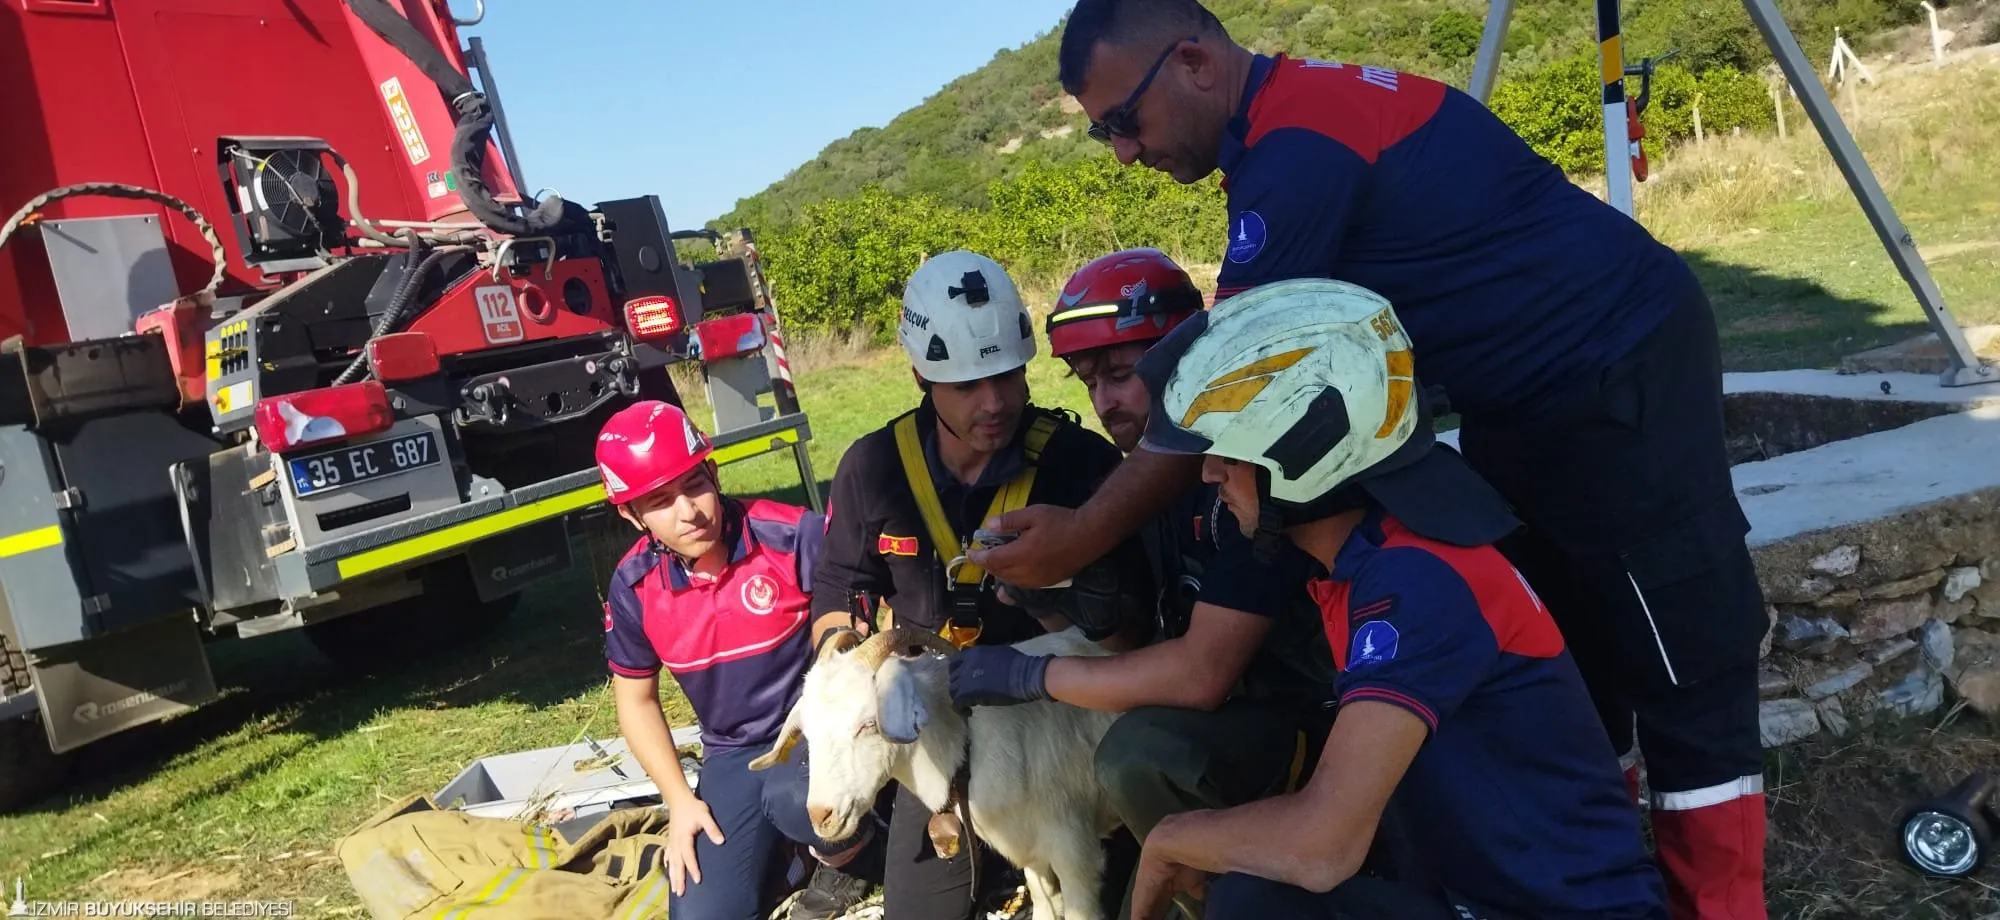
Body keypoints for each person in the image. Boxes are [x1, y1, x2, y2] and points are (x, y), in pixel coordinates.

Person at [974, 3, 1773, 916]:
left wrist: (1078, 538)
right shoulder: (1288, 127)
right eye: (1101, 133)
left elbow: (1229, 384)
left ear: (1193, 61)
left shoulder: (1295, 153)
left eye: (1123, 121)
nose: (1122, 150)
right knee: (1583, 670)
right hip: (1518, 400)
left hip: (1613, 373)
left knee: (1684, 676)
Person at [1117, 277, 1668, 920]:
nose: (1210, 474)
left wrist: (1170, 839)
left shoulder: (1418, 582)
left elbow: (1324, 845)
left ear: (1301, 448)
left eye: (1227, 455)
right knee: (1254, 893)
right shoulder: (1370, 562)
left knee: (1254, 904)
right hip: (1479, 897)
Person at [945, 249, 1339, 917]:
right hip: (1226, 723)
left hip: (1307, 730)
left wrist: (1025, 676)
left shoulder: (1243, 475)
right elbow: (1134, 650)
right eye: (1088, 382)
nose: (1104, 402)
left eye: (1123, 374)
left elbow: (1201, 673)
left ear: (1186, 360)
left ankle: (1246, 898)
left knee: (1140, 754)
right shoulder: (1144, 491)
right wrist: (1057, 604)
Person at [809, 249, 1157, 919]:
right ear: (920, 375)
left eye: (1007, 376)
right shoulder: (874, 468)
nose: (995, 403)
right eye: (967, 386)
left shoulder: (1076, 462)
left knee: (1114, 884)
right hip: (940, 733)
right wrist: (845, 667)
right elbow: (838, 590)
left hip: (1059, 733)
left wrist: (1053, 596)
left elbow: (1136, 626)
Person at [597, 400, 881, 920]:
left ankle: (856, 855)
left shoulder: (793, 536)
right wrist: (679, 800)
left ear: (713, 469)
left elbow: (865, 626)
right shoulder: (633, 586)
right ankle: (797, 856)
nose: (689, 511)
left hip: (819, 729)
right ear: (629, 513)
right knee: (703, 912)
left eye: (694, 484)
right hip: (732, 753)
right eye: (661, 501)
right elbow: (635, 703)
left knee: (793, 801)